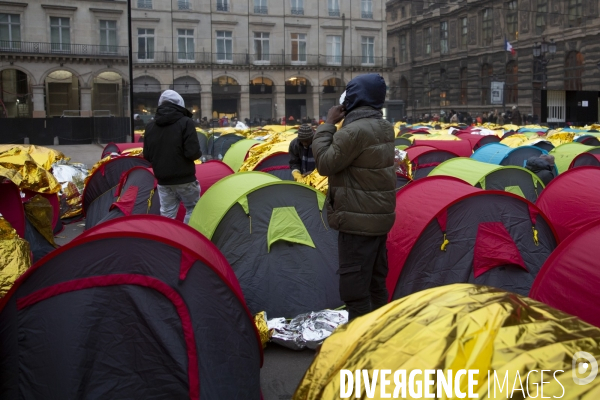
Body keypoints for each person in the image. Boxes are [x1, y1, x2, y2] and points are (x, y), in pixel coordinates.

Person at [312, 73, 396, 320]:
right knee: (375, 283)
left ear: (353, 98)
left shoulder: (355, 131)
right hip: (378, 218)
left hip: (357, 222)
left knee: (355, 290)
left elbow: (325, 163)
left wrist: (327, 124)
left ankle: (361, 342)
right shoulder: (383, 126)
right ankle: (380, 333)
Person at [143, 90, 201, 224]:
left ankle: (168, 241)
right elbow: (192, 153)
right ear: (180, 104)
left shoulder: (150, 126)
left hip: (163, 180)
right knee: (193, 209)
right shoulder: (186, 122)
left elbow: (147, 155)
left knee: (167, 214)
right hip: (185, 178)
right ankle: (187, 239)